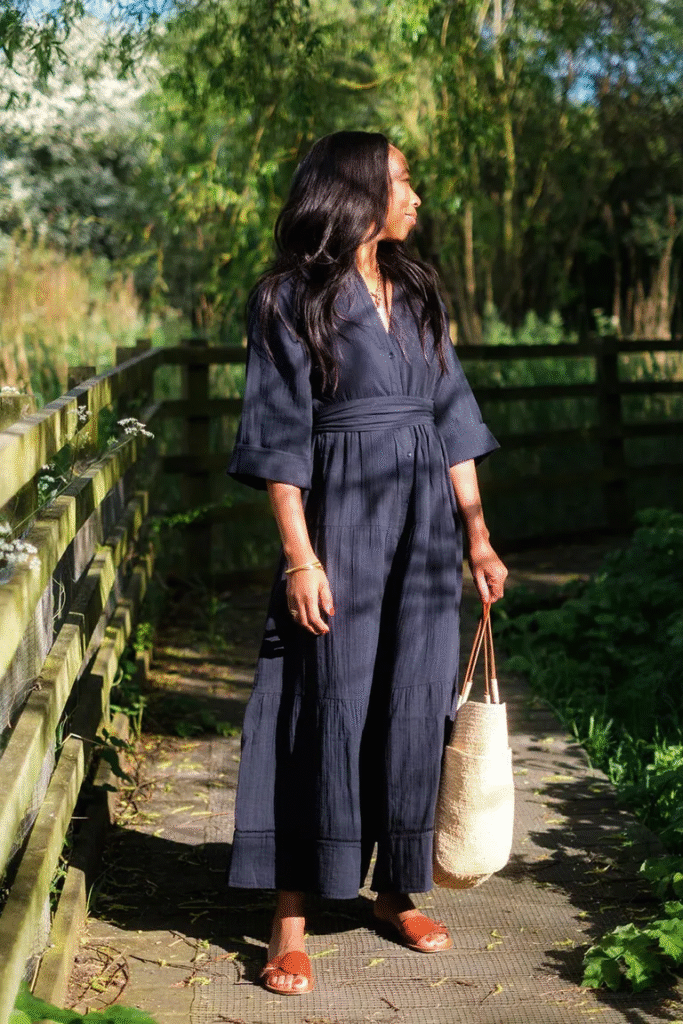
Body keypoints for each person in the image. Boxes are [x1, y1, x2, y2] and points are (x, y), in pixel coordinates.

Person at [226, 130, 507, 996]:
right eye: (401, 181)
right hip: (338, 517)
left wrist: (477, 535)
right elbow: (278, 439)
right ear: (353, 192)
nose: (414, 196)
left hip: (423, 524)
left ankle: (394, 890)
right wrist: (299, 558)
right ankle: (290, 917)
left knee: (415, 698)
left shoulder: (417, 292)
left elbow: (452, 416)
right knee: (323, 697)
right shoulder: (288, 298)